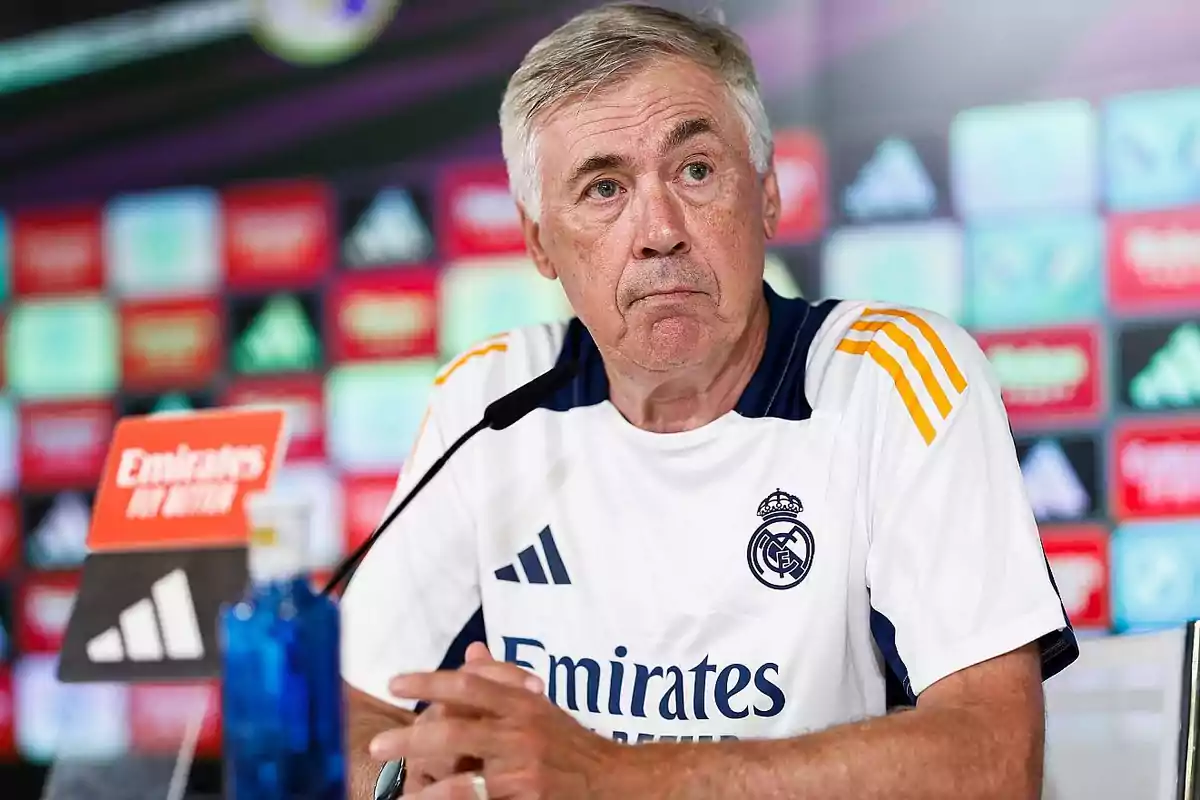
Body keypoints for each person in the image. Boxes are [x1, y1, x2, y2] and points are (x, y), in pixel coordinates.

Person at [340, 4, 1078, 798]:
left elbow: (994, 762)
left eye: (695, 171)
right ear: (538, 243)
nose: (659, 231)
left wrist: (616, 779)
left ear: (766, 196)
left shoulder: (891, 381)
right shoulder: (487, 403)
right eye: (603, 188)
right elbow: (356, 711)